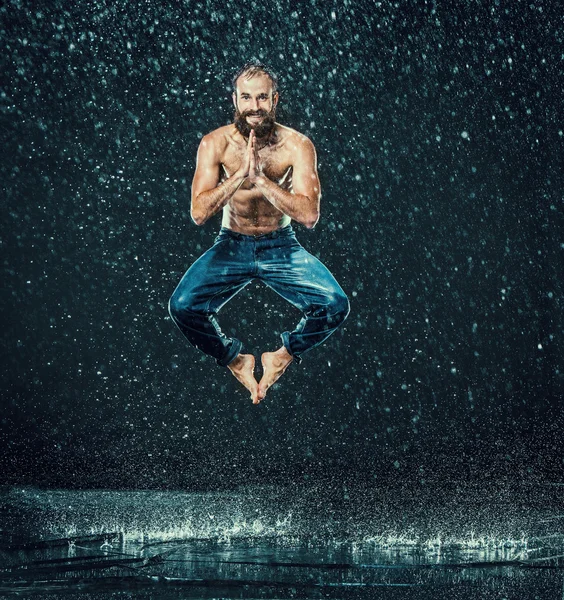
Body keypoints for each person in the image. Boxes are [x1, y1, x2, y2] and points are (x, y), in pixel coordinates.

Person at [169, 62, 349, 404]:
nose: (254, 106)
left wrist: (262, 180)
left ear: (274, 99)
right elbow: (198, 213)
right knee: (182, 306)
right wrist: (238, 176)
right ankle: (235, 359)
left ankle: (282, 355)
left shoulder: (297, 145)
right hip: (231, 244)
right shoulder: (214, 144)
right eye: (247, 97)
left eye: (262, 97)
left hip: (280, 246)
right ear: (235, 100)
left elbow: (309, 216)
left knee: (334, 304)